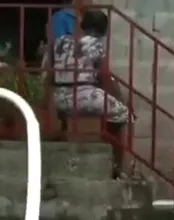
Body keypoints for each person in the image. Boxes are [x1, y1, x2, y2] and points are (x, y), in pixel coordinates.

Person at [53, 9, 136, 179]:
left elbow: (49, 71)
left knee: (102, 101)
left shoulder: (60, 41)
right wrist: (117, 96)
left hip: (59, 97)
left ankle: (63, 132)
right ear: (104, 30)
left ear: (83, 25)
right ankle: (116, 165)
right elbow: (104, 76)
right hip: (82, 96)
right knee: (124, 114)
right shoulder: (95, 43)